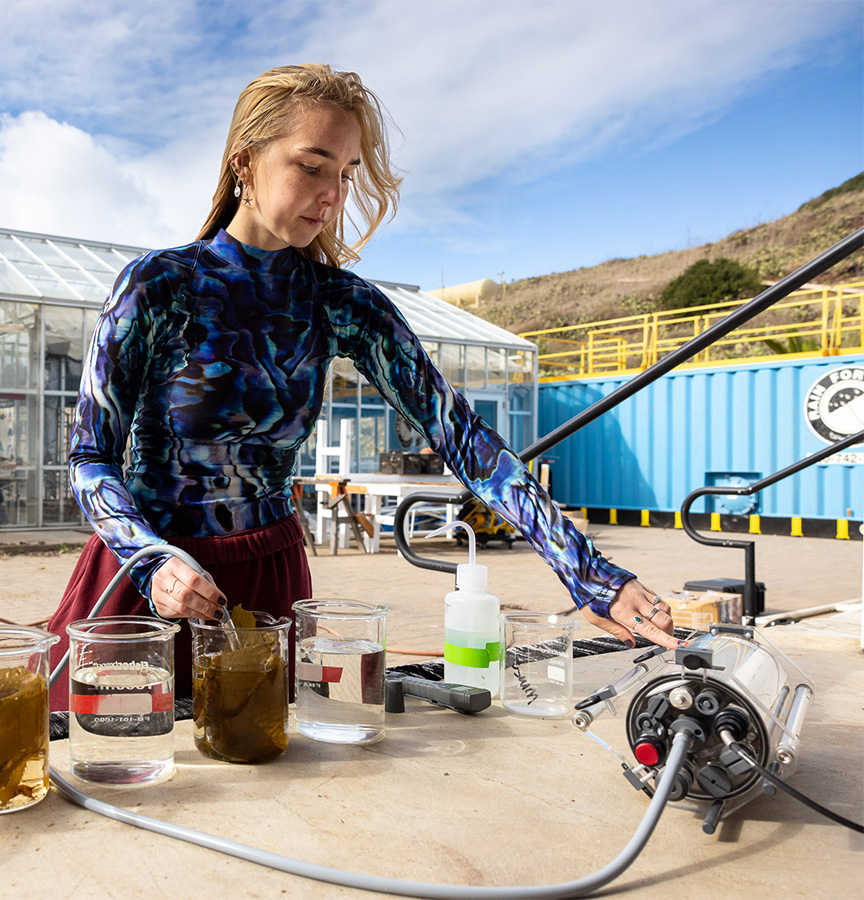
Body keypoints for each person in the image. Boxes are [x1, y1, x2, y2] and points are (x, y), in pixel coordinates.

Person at [45, 63, 678, 711]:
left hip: (268, 581)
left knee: (261, 785)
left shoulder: (340, 303)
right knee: (101, 776)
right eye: (312, 166)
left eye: (345, 175)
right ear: (244, 162)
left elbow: (460, 435)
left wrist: (589, 572)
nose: (332, 195)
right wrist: (151, 559)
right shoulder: (157, 286)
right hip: (145, 587)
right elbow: (90, 457)